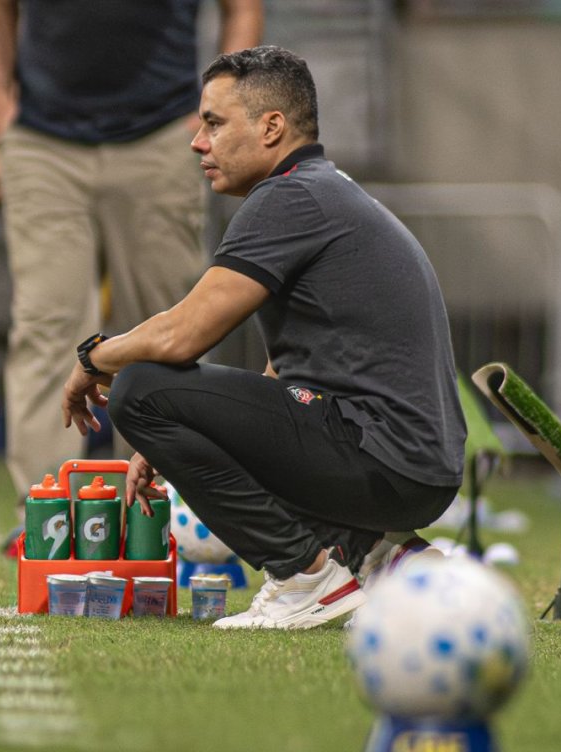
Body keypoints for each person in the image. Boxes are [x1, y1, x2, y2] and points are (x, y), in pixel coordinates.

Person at [60, 46, 465, 630]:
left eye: (214, 123)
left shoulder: (290, 196)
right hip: (417, 468)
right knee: (162, 397)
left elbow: (181, 336)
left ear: (272, 127)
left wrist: (94, 358)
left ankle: (306, 576)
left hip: (383, 456)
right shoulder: (321, 189)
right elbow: (290, 371)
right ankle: (381, 557)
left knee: (141, 388)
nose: (198, 142)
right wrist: (189, 435)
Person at [0, 0, 264, 497]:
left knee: (167, 325)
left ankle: (162, 501)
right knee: (46, 324)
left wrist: (216, 118)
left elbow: (242, 8)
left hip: (160, 137)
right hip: (43, 142)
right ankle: (44, 511)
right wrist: (4, 122)